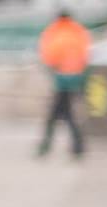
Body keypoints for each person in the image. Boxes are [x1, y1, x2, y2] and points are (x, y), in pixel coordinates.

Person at [36, 8, 92, 160]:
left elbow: (49, 57)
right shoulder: (79, 31)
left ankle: (46, 146)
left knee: (58, 114)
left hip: (61, 80)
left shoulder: (54, 32)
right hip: (77, 78)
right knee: (66, 113)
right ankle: (76, 146)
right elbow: (86, 55)